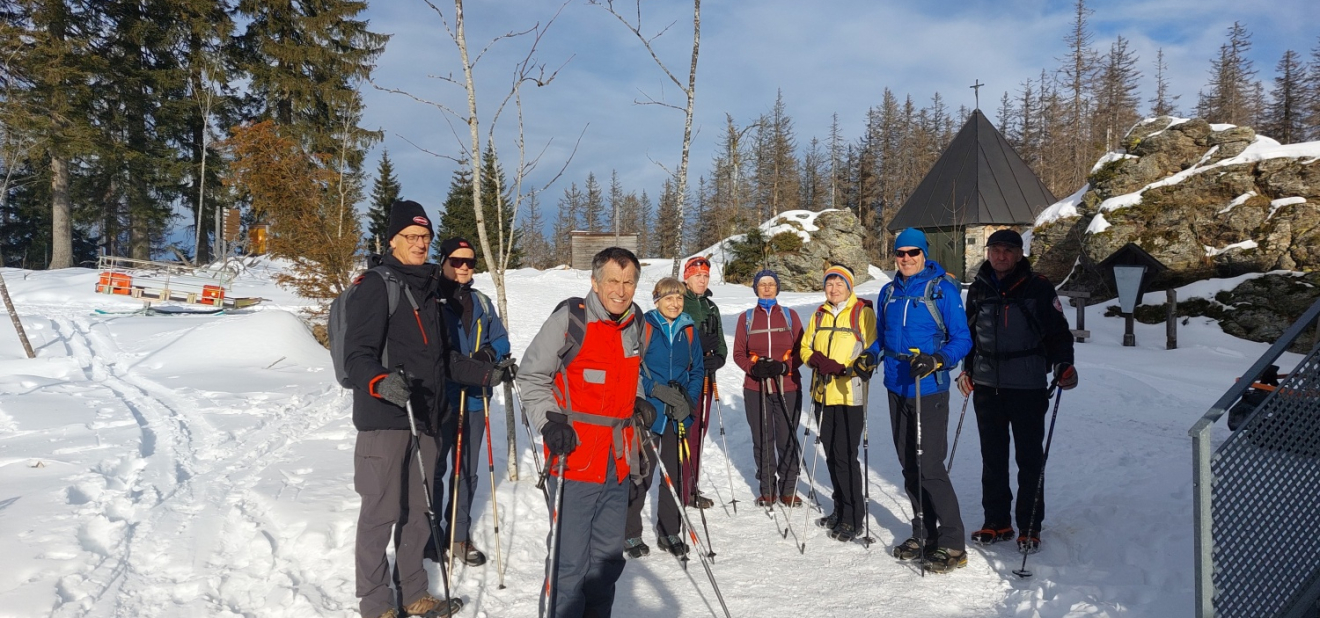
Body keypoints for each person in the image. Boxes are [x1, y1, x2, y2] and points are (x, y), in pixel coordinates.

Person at [341, 200, 511, 618]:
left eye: (425, 238)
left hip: (430, 419)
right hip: (386, 419)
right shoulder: (377, 285)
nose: (420, 244)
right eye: (412, 237)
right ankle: (377, 603)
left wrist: (485, 374)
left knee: (420, 513)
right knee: (381, 513)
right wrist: (381, 381)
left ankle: (414, 593)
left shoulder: (431, 291)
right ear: (393, 240)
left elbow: (445, 360)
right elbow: (355, 356)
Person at [518, 247, 656, 618]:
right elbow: (531, 376)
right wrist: (549, 422)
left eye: (629, 282)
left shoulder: (636, 323)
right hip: (575, 458)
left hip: (617, 460)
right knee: (570, 563)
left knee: (607, 561)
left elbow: (633, 372)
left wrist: (639, 400)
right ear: (594, 282)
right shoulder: (570, 319)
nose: (620, 290)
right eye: (612, 280)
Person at [957, 229, 1077, 554]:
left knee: (1029, 459)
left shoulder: (1038, 286)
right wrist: (966, 370)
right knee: (992, 458)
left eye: (1008, 250)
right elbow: (969, 337)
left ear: (1019, 254)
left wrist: (1064, 364)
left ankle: (1029, 526)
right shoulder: (979, 288)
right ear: (988, 253)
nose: (1000, 256)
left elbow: (1058, 334)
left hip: (1027, 386)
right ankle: (997, 521)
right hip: (986, 386)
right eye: (995, 250)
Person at [875, 228, 973, 574]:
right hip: (896, 385)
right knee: (908, 466)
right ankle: (923, 532)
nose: (906, 259)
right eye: (900, 253)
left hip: (928, 387)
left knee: (929, 466)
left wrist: (938, 359)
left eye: (913, 252)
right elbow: (881, 337)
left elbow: (962, 339)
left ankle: (952, 542)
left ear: (924, 253)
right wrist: (868, 358)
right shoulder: (888, 292)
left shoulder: (941, 289)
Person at [434, 237, 511, 568]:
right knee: (434, 468)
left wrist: (489, 354)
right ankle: (429, 535)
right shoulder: (431, 298)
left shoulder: (480, 301)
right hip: (439, 398)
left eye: (470, 261)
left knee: (466, 470)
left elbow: (501, 337)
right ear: (443, 261)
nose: (464, 267)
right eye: (457, 260)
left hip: (476, 398)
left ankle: (458, 534)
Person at [624, 277, 706, 559]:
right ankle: (630, 532)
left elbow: (697, 371)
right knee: (642, 473)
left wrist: (688, 401)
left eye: (679, 298)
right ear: (656, 300)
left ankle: (669, 530)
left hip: (676, 414)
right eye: (668, 298)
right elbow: (630, 367)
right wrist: (654, 390)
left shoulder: (689, 330)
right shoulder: (644, 327)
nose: (675, 303)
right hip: (647, 412)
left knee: (675, 473)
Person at [799, 264, 877, 543]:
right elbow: (805, 347)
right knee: (831, 454)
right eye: (829, 284)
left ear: (850, 286)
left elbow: (872, 351)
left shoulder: (861, 313)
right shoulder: (820, 314)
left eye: (839, 284)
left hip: (849, 394)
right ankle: (840, 507)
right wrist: (817, 361)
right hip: (822, 394)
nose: (833, 289)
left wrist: (846, 368)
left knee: (845, 456)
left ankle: (853, 517)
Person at [732, 269, 804, 507]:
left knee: (787, 438)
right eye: (762, 284)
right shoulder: (747, 318)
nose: (766, 287)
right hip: (757, 387)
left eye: (771, 283)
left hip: (788, 386)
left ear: (777, 288)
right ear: (755, 288)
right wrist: (754, 368)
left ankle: (788, 488)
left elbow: (802, 351)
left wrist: (785, 367)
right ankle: (767, 489)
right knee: (763, 438)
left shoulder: (790, 316)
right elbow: (739, 353)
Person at [681, 256, 726, 509]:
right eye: (697, 275)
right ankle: (680, 485)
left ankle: (691, 486)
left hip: (707, 378)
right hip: (686, 379)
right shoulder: (678, 301)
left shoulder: (711, 307)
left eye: (705, 276)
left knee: (698, 432)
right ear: (686, 277)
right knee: (684, 433)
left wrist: (718, 358)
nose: (701, 279)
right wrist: (697, 346)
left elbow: (719, 341)